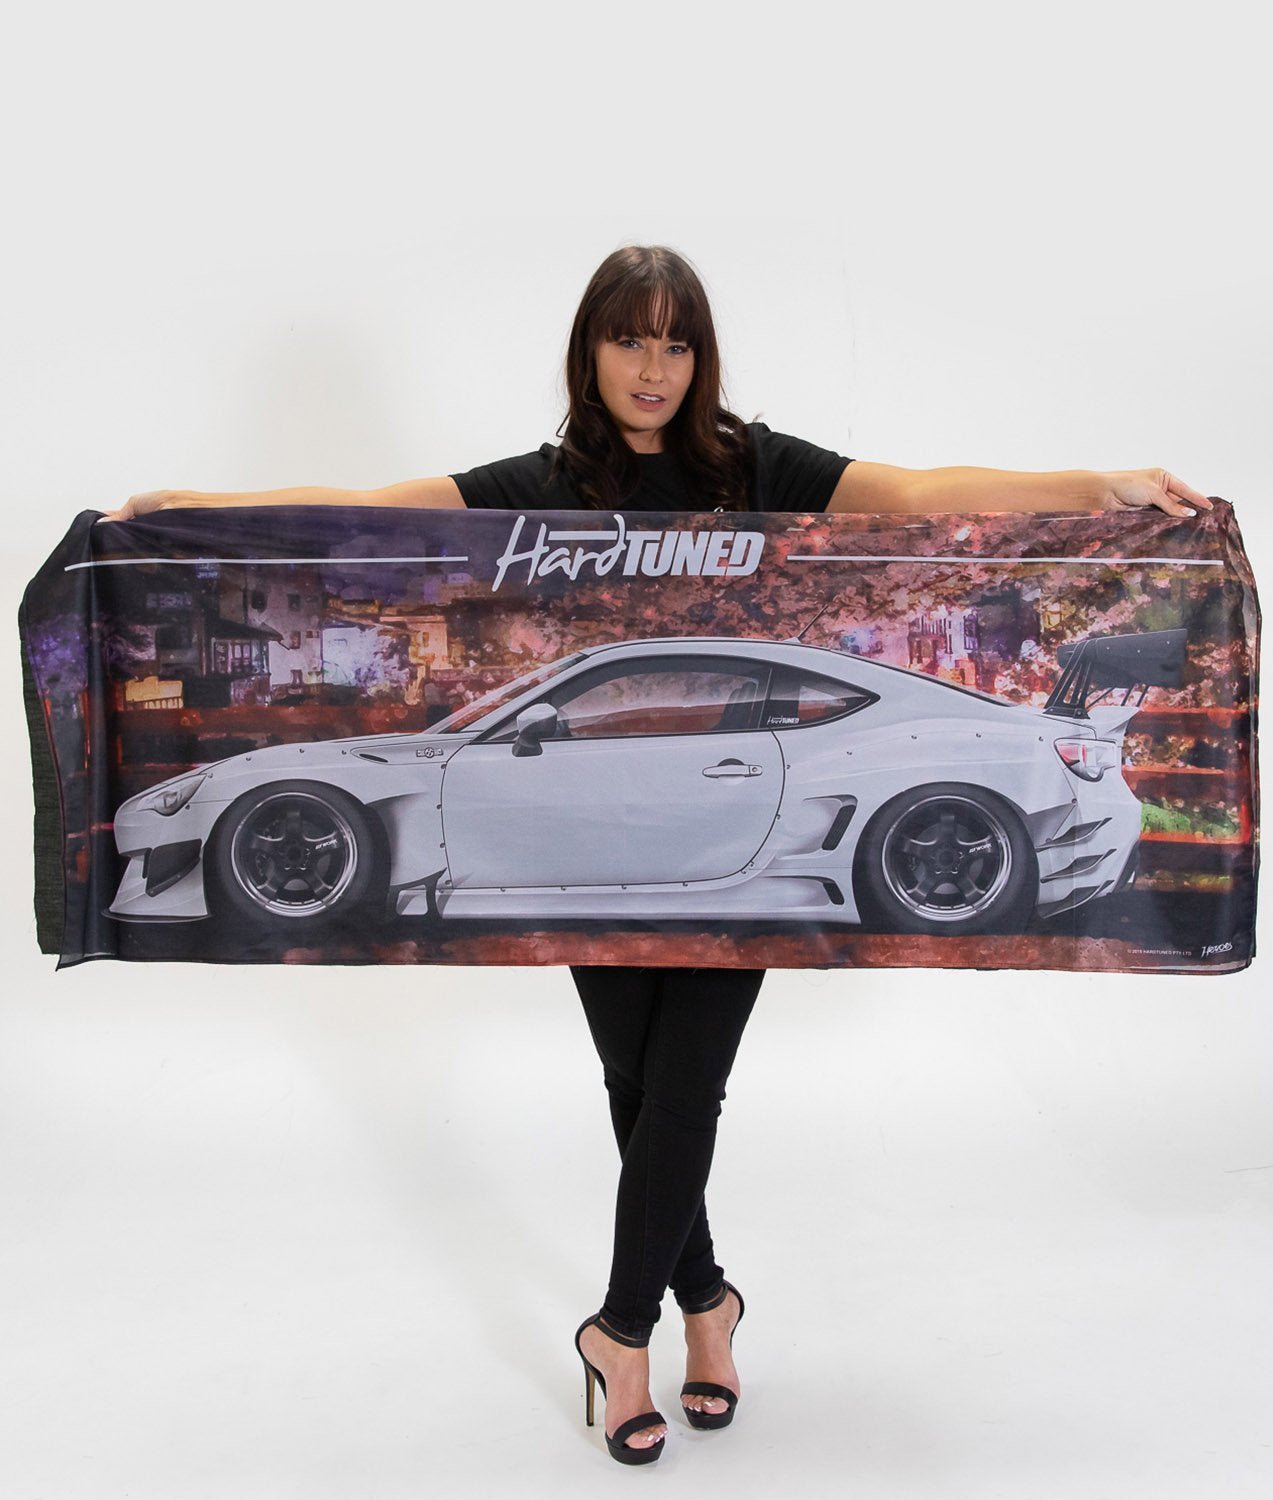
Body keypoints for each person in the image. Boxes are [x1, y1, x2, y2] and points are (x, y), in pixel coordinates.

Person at [104, 245, 1211, 1465]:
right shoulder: (544, 486)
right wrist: (193, 510)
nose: (652, 367)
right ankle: (709, 1303)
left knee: (683, 1091)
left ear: (701, 357)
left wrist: (1098, 484)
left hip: (738, 842)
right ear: (588, 349)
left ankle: (619, 1332)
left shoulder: (753, 468)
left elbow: (910, 494)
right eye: (629, 339)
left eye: (676, 343)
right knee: (637, 1090)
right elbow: (374, 510)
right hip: (594, 839)